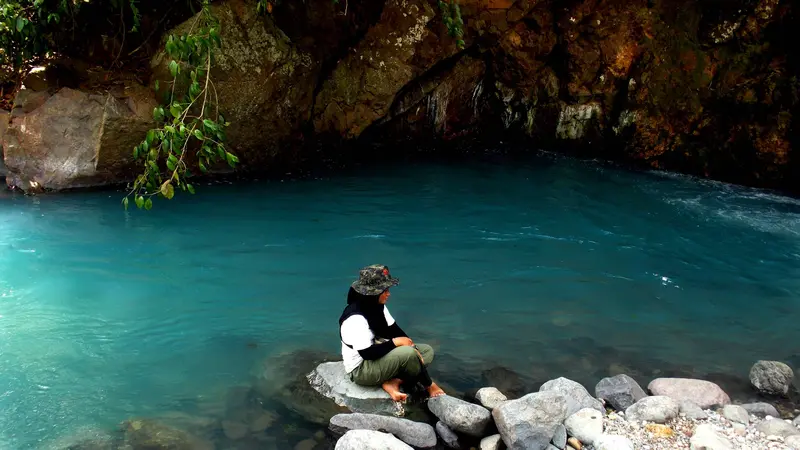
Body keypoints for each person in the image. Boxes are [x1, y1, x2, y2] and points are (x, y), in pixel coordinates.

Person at [339, 264, 445, 401]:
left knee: (426, 351)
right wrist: (396, 343)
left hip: (377, 357)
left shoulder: (377, 307)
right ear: (374, 293)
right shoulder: (355, 319)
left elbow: (394, 330)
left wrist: (411, 346)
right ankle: (429, 385)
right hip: (361, 370)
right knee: (409, 355)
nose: (388, 293)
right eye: (385, 290)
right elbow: (367, 353)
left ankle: (394, 382)